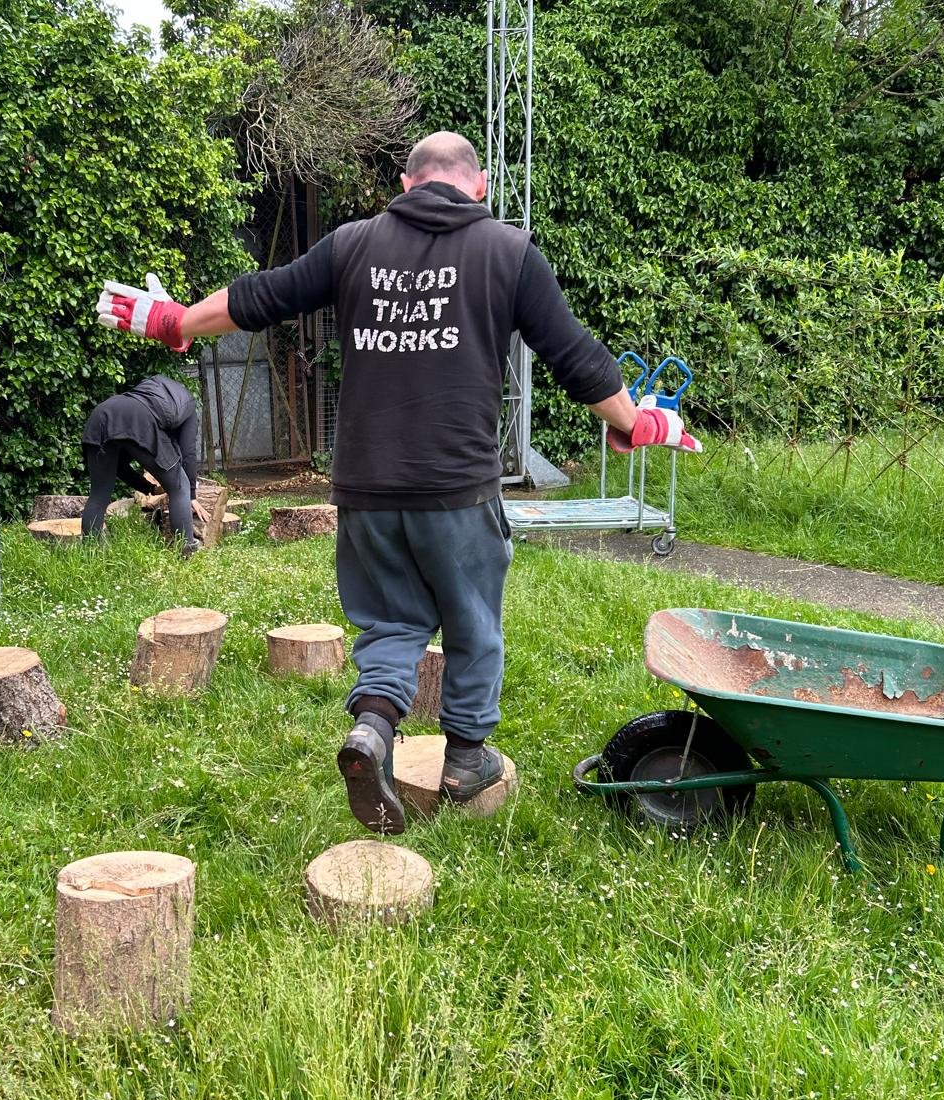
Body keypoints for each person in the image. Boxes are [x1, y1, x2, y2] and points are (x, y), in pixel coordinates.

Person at [97, 131, 701, 832]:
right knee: (472, 622)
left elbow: (262, 296)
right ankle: (467, 756)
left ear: (408, 185)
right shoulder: (508, 251)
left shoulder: (354, 244)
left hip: (366, 489)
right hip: (458, 489)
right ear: (477, 187)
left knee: (391, 622)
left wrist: (176, 321)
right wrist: (636, 422)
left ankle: (375, 729)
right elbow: (578, 359)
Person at [80, 367, 204, 555]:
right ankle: (186, 550)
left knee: (99, 495)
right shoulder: (188, 404)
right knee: (180, 487)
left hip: (101, 415)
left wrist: (149, 488)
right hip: (138, 418)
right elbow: (187, 452)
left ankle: (91, 553)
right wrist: (191, 496)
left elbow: (119, 467)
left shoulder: (147, 392)